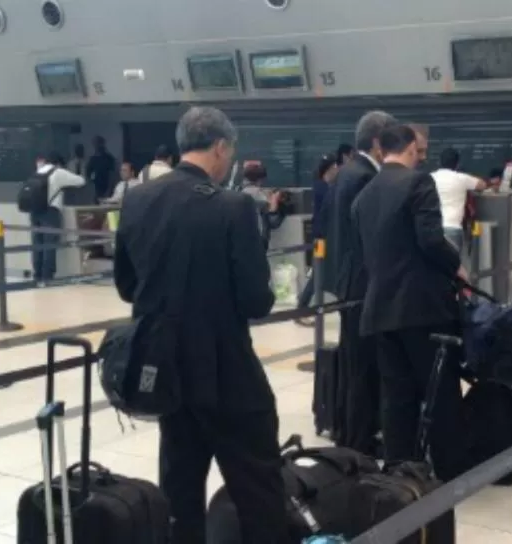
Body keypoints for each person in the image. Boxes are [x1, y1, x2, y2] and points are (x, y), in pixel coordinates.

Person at [113, 106, 286, 544]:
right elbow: (255, 300)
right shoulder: (234, 207)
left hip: (165, 370)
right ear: (221, 147)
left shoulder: (136, 199)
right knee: (257, 484)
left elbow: (126, 284)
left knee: (180, 484)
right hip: (226, 369)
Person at [351, 123, 469, 480]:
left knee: (396, 394)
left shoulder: (365, 195)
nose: (423, 155)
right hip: (422, 307)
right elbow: (431, 241)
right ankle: (451, 469)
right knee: (441, 389)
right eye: (420, 149)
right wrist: (457, 266)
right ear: (407, 147)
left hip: (380, 308)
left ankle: (400, 471)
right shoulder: (418, 183)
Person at [321, 110, 397, 456]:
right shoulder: (366, 177)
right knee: (363, 368)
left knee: (356, 365)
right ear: (379, 143)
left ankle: (353, 435)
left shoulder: (345, 173)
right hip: (363, 287)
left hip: (348, 283)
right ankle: (360, 442)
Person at [295, 153, 339, 325]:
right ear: (328, 169)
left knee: (320, 273)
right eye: (335, 167)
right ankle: (301, 308)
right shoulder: (324, 189)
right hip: (322, 240)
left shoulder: (323, 186)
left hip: (322, 238)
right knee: (318, 273)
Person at [30, 152, 86, 283]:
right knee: (49, 244)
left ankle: (37, 275)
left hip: (35, 212)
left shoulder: (38, 172)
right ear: (58, 163)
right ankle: (47, 277)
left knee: (37, 244)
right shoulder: (58, 172)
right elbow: (81, 181)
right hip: (50, 212)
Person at [431, 148, 487, 251]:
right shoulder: (462, 178)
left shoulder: (430, 178)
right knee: (452, 264)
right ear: (457, 164)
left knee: (433, 265)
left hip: (433, 228)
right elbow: (482, 185)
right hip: (453, 228)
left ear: (440, 162)